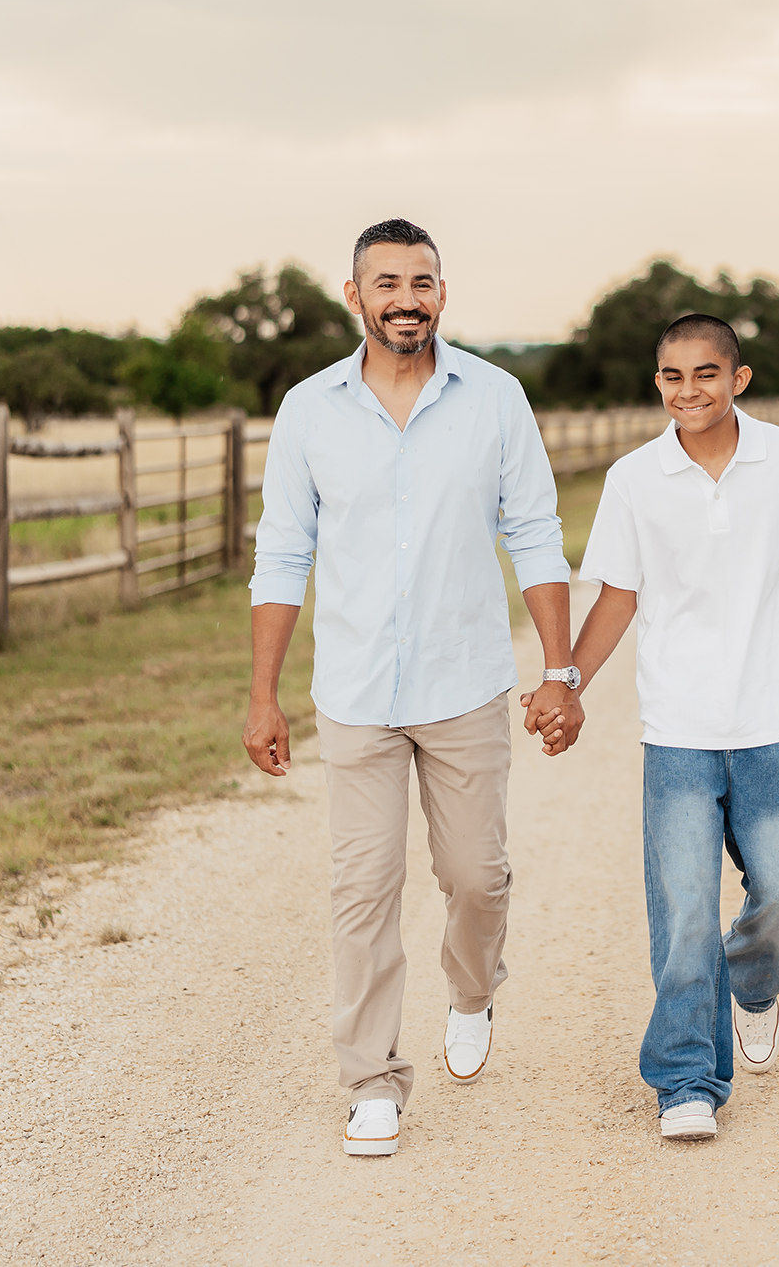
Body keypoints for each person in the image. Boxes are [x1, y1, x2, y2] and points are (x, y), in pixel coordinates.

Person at [529, 312, 779, 1142]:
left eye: (706, 374)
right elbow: (618, 597)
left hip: (774, 718)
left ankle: (751, 980)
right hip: (677, 727)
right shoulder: (634, 479)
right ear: (658, 385)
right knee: (682, 911)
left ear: (738, 378)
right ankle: (685, 1081)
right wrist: (565, 680)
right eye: (673, 377)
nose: (689, 391)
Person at [243, 218, 584, 1158]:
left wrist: (560, 671)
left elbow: (537, 534)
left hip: (465, 683)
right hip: (353, 693)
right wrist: (263, 693)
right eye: (386, 281)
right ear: (354, 297)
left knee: (478, 878)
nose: (407, 297)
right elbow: (283, 552)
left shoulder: (496, 398)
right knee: (363, 889)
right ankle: (372, 1081)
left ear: (442, 293)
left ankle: (472, 992)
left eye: (422, 281)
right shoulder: (309, 410)